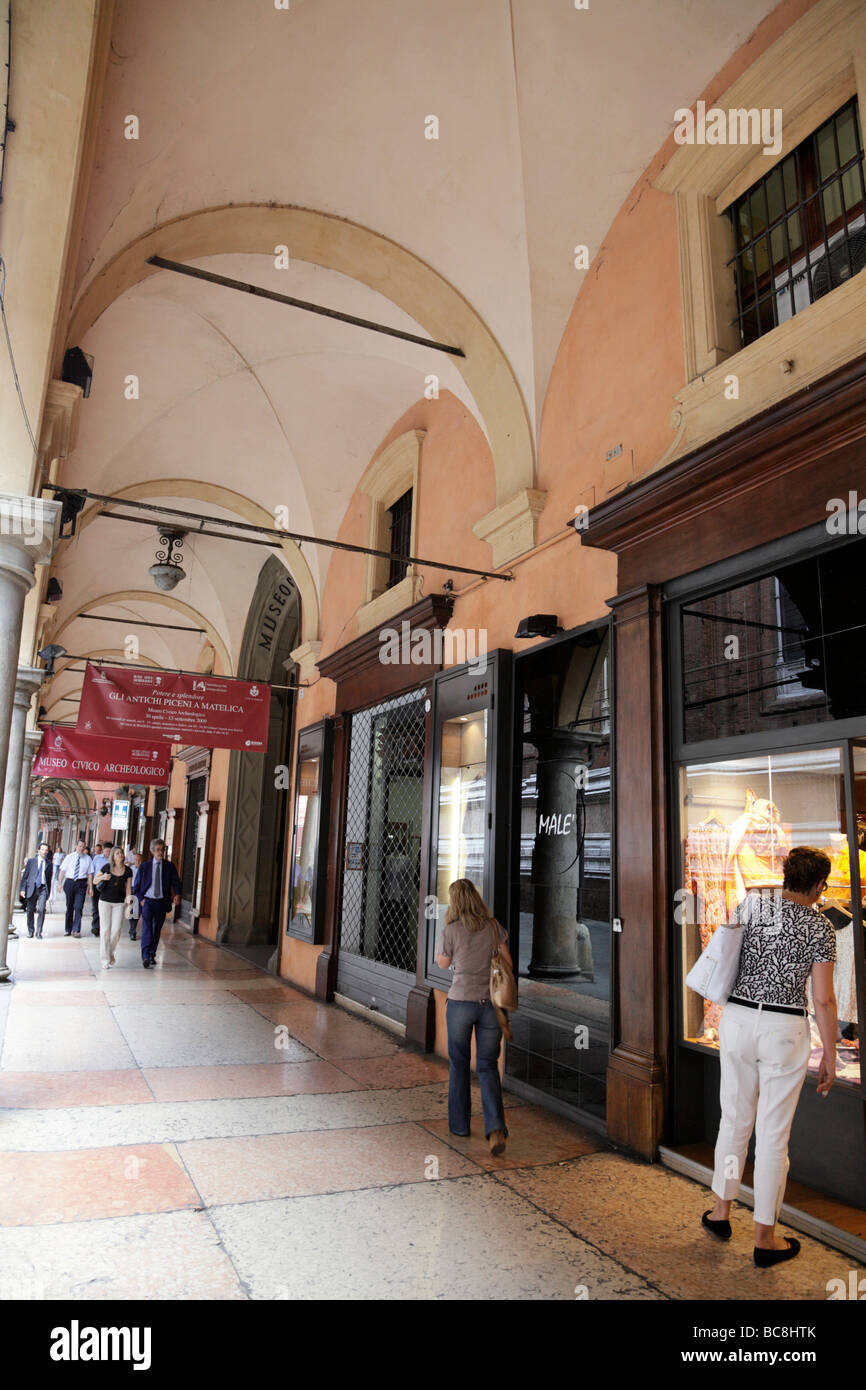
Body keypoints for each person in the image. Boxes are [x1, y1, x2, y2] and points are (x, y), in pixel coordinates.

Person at [703, 846, 837, 1267]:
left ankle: (721, 1213)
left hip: (738, 1018)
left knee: (734, 1120)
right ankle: (765, 1238)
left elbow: (726, 950)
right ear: (818, 885)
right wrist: (831, 1052)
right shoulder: (820, 927)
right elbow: (824, 999)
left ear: (785, 875)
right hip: (784, 1029)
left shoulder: (754, 905)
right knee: (773, 1136)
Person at [435, 878, 512, 1156]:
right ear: (476, 898)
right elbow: (508, 964)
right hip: (490, 1005)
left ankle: (460, 1126)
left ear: (454, 902)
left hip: (460, 1004)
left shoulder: (451, 930)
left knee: (458, 1064)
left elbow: (442, 963)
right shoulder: (493, 927)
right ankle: (495, 1129)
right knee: (488, 1066)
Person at [132, 839, 182, 969]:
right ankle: (145, 956)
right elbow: (136, 887)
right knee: (147, 928)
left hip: (162, 902)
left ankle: (152, 954)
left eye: (162, 849)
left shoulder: (169, 866)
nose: (160, 852)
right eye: (158, 850)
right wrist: (141, 899)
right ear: (153, 851)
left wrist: (177, 894)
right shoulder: (144, 867)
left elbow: (176, 882)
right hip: (148, 901)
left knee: (157, 930)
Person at [93, 846, 133, 969]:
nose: (120, 855)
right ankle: (105, 960)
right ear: (113, 856)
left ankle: (109, 953)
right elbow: (95, 880)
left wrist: (129, 904)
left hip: (119, 903)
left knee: (116, 931)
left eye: (121, 853)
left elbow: (128, 888)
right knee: (105, 930)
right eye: (117, 853)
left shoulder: (128, 871)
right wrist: (103, 877)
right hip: (104, 901)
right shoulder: (107, 867)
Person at [58, 839, 94, 936]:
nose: (81, 848)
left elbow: (90, 874)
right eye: (80, 846)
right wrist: (60, 883)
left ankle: (76, 929)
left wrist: (90, 887)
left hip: (81, 884)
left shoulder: (88, 859)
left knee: (78, 907)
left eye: (83, 846)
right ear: (76, 846)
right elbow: (62, 871)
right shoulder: (69, 857)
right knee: (69, 907)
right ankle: (68, 929)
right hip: (69, 882)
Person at [19, 843, 53, 938]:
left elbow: (49, 879)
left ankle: (39, 932)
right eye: (42, 849)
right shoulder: (31, 862)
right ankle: (30, 931)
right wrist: (22, 889)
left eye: (46, 850)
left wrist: (48, 892)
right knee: (30, 911)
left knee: (41, 909)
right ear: (38, 851)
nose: (44, 852)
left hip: (42, 889)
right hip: (32, 888)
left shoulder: (49, 864)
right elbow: (25, 877)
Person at [89, 841, 113, 937]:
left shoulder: (113, 861)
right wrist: (90, 886)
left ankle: (104, 927)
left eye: (110, 851)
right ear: (103, 850)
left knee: (105, 908)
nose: (108, 853)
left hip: (108, 887)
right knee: (95, 907)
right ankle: (95, 927)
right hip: (96, 885)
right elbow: (92, 872)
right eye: (106, 851)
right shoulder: (96, 858)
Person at [127, 850, 143, 940]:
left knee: (137, 912)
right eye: (136, 860)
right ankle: (132, 930)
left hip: (140, 892)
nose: (138, 862)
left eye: (140, 860)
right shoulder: (131, 869)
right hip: (132, 890)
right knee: (131, 912)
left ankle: (133, 931)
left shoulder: (144, 869)